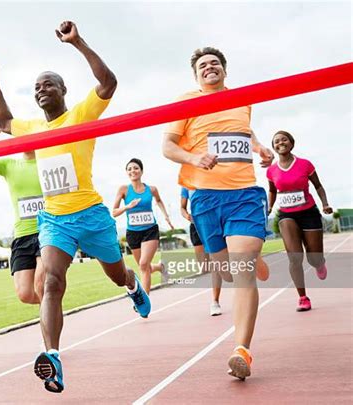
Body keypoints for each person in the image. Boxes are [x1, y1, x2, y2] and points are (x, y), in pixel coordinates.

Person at [0, 21, 150, 393]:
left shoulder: (80, 116)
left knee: (116, 274)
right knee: (53, 283)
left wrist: (77, 42)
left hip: (91, 215)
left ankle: (132, 286)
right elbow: (5, 121)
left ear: (63, 90)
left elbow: (109, 83)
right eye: (37, 86)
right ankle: (53, 358)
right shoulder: (32, 129)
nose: (41, 89)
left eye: (48, 84)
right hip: (55, 219)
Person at [162, 47, 273, 380]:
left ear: (224, 70)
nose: (209, 67)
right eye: (202, 65)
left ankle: (242, 350)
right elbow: (167, 147)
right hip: (206, 199)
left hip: (245, 194)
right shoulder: (186, 102)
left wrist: (260, 147)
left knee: (242, 272)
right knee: (225, 272)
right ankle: (248, 254)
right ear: (196, 76)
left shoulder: (243, 99)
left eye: (215, 63)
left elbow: (245, 132)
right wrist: (195, 159)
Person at [0, 124, 45, 304]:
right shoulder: (9, 165)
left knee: (41, 285)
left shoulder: (47, 163)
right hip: (22, 236)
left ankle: (50, 315)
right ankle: (50, 303)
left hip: (48, 232)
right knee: (25, 294)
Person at [267, 130, 332, 311]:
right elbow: (272, 190)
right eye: (276, 141)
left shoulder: (305, 164)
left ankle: (319, 263)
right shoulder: (271, 170)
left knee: (314, 258)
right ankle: (303, 297)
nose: (281, 143)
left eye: (284, 139)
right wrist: (269, 207)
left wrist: (325, 204)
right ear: (274, 147)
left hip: (309, 213)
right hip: (287, 215)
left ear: (291, 143)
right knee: (295, 258)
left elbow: (318, 186)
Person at [113, 158, 174, 294]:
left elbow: (159, 201)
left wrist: (166, 216)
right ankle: (161, 266)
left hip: (150, 230)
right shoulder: (123, 190)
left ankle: (145, 301)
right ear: (127, 173)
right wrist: (128, 206)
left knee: (143, 264)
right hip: (133, 233)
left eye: (135, 168)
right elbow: (114, 212)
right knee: (144, 267)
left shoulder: (151, 189)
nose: (132, 171)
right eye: (129, 169)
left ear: (141, 171)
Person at [180, 187, 222, 316]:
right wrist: (187, 216)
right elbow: (182, 207)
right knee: (204, 267)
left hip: (214, 221)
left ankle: (215, 301)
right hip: (196, 224)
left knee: (216, 262)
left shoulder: (212, 177)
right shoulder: (186, 184)